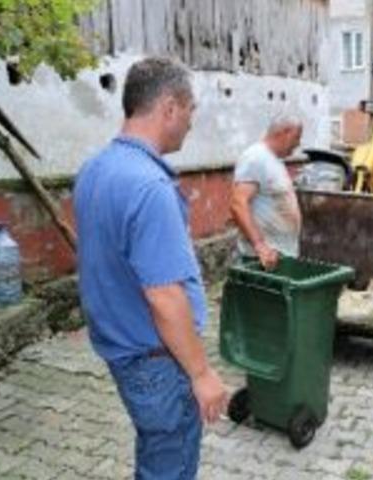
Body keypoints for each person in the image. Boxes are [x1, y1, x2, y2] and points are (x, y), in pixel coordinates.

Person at [74, 57, 227, 479]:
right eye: (191, 110)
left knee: (155, 457)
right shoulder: (150, 186)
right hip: (158, 361)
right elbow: (164, 295)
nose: (192, 122)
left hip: (123, 350)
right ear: (170, 108)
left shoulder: (94, 169)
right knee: (170, 466)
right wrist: (201, 373)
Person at [229, 114, 303, 269]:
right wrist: (260, 245)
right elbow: (238, 203)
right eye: (296, 137)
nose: (298, 144)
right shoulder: (256, 157)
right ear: (284, 132)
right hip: (262, 259)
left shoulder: (274, 160)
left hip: (278, 256)